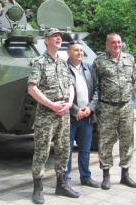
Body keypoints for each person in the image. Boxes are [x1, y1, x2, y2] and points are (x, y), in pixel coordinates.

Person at [27, 28, 80, 204]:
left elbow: (71, 84)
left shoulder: (64, 62)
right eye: (54, 36)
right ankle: (37, 188)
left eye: (60, 37)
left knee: (64, 149)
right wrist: (52, 105)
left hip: (64, 112)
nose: (58, 38)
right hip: (46, 113)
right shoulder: (39, 62)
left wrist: (70, 103)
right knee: (42, 151)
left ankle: (61, 184)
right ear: (46, 41)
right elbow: (32, 88)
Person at [93, 33, 136, 190]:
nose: (117, 45)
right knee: (105, 142)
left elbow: (134, 80)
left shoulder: (129, 59)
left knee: (127, 140)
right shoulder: (99, 62)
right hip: (107, 108)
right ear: (107, 44)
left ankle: (125, 174)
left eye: (119, 42)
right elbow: (95, 85)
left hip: (125, 107)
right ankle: (106, 176)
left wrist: (126, 97)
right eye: (113, 43)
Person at [66, 40, 100, 188]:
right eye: (76, 50)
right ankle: (65, 178)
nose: (79, 53)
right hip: (69, 117)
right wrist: (75, 110)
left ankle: (86, 177)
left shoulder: (88, 68)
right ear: (68, 52)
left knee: (85, 149)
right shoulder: (63, 69)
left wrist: (90, 108)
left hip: (86, 117)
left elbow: (98, 90)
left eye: (81, 50)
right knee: (65, 150)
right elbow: (60, 93)